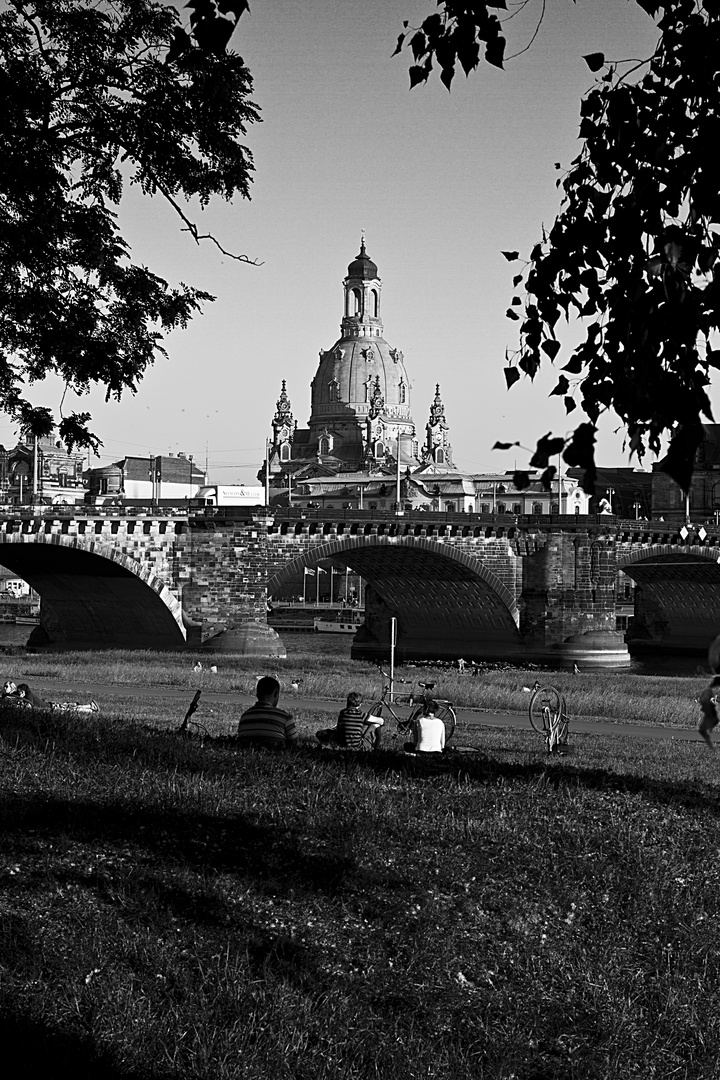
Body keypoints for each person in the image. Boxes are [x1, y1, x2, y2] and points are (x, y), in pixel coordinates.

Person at [237, 676, 297, 750]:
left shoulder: (245, 717)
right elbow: (294, 746)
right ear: (276, 693)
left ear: (257, 694)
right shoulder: (285, 718)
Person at [316, 691, 381, 750]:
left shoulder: (342, 712)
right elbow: (380, 721)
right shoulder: (361, 715)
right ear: (360, 704)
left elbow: (339, 728)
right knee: (376, 725)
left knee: (324, 733)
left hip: (342, 742)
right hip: (358, 745)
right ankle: (376, 748)